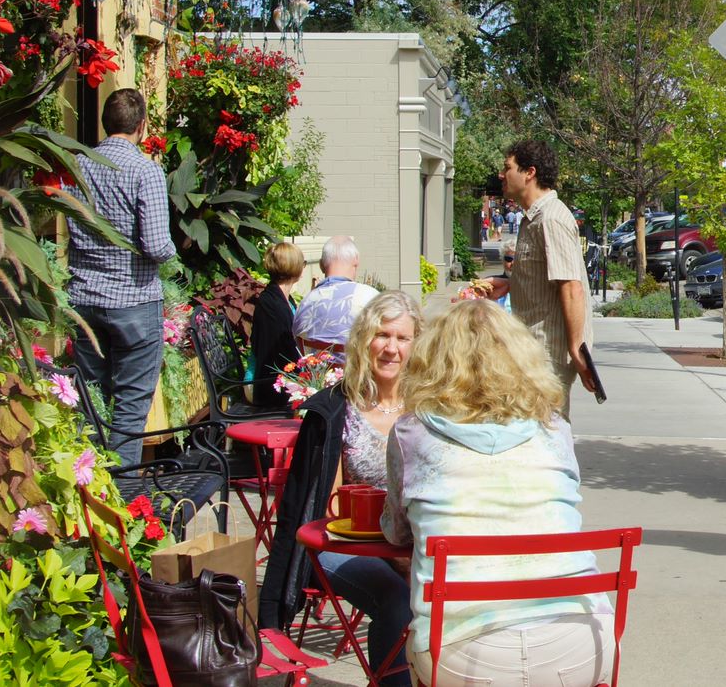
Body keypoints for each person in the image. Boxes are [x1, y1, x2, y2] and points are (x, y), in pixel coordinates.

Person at [383, 300, 612, 687]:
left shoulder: (412, 433)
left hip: (463, 653)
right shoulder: (555, 429)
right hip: (582, 644)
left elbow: (398, 533)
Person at [316, 290, 423, 687]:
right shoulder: (339, 407)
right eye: (382, 336)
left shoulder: (427, 408)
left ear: (416, 345)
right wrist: (388, 554)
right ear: (365, 340)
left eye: (402, 338)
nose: (391, 348)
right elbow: (328, 506)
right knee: (397, 599)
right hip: (344, 545)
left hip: (414, 547)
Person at [67, 88, 177, 469]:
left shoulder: (77, 166)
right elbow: (157, 245)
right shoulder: (144, 169)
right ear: (142, 126)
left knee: (89, 401)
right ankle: (124, 497)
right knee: (130, 408)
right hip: (134, 302)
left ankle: (87, 492)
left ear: (104, 123)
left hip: (84, 300)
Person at [484, 140, 594, 417]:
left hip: (548, 356)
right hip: (532, 351)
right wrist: (511, 285)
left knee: (547, 438)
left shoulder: (551, 219)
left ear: (529, 172)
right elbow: (550, 279)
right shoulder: (533, 219)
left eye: (507, 167)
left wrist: (576, 349)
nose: (502, 174)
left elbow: (571, 288)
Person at [294, 235, 380, 349]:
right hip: (358, 366)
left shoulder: (306, 303)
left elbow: (296, 340)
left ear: (321, 265)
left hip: (314, 366)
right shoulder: (371, 298)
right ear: (356, 261)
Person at [249, 242, 305, 407]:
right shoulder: (272, 304)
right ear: (295, 267)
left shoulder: (284, 299)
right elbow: (278, 351)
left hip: (280, 377)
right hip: (269, 386)